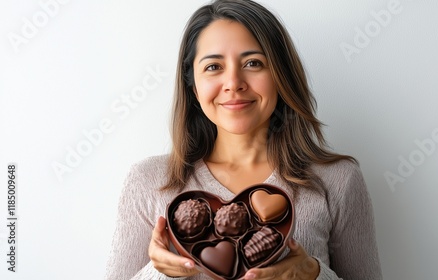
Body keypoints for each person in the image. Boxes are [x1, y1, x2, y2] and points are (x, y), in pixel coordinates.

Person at [105, 0, 382, 279]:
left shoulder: (338, 180)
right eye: (214, 66)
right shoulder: (147, 181)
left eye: (253, 63)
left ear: (279, 74)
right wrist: (161, 271)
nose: (234, 82)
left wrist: (312, 273)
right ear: (193, 85)